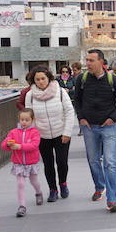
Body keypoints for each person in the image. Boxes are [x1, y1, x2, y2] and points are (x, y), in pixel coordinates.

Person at [73, 49, 116, 213]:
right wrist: (81, 118)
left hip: (109, 127)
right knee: (93, 160)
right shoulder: (81, 79)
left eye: (91, 60)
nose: (88, 63)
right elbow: (77, 100)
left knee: (110, 162)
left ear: (101, 62)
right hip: (89, 127)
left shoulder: (113, 80)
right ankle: (99, 186)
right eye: (87, 60)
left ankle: (112, 199)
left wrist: (113, 118)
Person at [25, 66, 75, 202]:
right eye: (37, 79)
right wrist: (33, 135)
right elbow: (29, 117)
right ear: (33, 81)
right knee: (48, 164)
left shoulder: (60, 91)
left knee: (62, 161)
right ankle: (53, 189)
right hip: (42, 136)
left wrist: (67, 132)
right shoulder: (30, 95)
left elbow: (69, 111)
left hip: (61, 133)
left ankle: (63, 183)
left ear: (49, 78)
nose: (41, 82)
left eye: (43, 78)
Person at [1, 108, 43, 218]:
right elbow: (3, 145)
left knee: (34, 181)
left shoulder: (35, 132)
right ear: (19, 119)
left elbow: (34, 145)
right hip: (18, 163)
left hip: (31, 162)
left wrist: (20, 146)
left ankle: (38, 192)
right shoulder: (13, 132)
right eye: (22, 119)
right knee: (20, 184)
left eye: (27, 120)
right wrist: (8, 144)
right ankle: (22, 206)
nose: (24, 122)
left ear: (32, 120)